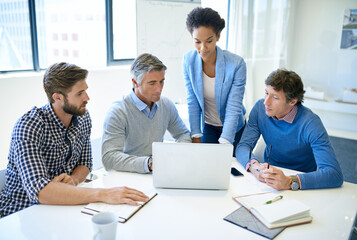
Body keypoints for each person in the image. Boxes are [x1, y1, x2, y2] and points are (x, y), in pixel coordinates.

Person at [0, 63, 148, 218]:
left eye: (86, 90)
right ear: (57, 97)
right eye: (79, 93)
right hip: (20, 212)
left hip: (60, 208)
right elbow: (40, 192)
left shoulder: (83, 117)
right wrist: (103, 194)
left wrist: (73, 180)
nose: (87, 98)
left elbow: (85, 163)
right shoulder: (30, 125)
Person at [236, 69, 343, 190]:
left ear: (292, 101)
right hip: (268, 180)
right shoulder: (260, 109)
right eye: (266, 93)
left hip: (300, 181)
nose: (266, 102)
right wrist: (254, 167)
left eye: (275, 97)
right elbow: (243, 146)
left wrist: (289, 181)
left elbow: (334, 174)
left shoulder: (311, 123)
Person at [102, 53, 191, 174]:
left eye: (161, 82)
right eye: (152, 83)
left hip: (157, 173)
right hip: (127, 175)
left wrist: (175, 153)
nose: (159, 89)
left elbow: (183, 135)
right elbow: (109, 158)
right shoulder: (118, 112)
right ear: (135, 82)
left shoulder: (166, 105)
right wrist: (148, 163)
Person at [183, 7, 247, 155]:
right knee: (205, 164)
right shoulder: (188, 61)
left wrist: (225, 141)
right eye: (197, 42)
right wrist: (196, 135)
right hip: (208, 126)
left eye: (209, 41)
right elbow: (192, 100)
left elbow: (234, 105)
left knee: (232, 168)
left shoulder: (236, 64)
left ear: (218, 36)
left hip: (234, 127)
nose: (203, 48)